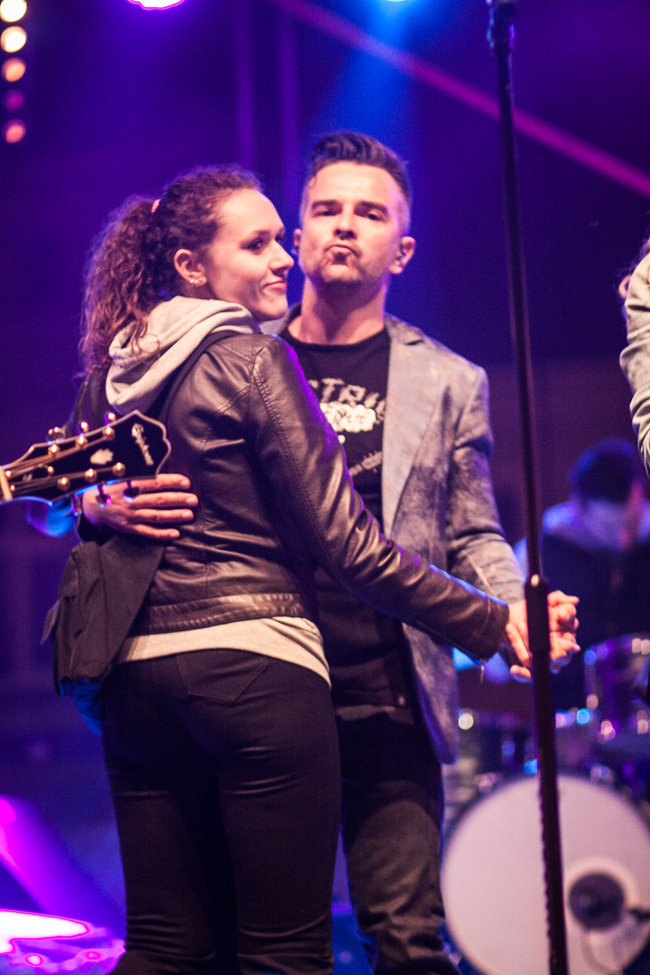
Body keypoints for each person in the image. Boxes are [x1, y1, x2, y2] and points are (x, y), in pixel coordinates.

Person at [72, 140, 578, 975]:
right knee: (237, 940)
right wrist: (92, 501)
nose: (344, 227)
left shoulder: (449, 379)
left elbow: (474, 528)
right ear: (297, 234)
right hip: (263, 674)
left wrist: (510, 611)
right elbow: (95, 457)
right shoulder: (223, 343)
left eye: (370, 213)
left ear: (402, 249)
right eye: (324, 211)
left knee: (407, 937)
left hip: (386, 683)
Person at [515, 438, 650, 710]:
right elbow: (499, 665)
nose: (624, 540)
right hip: (572, 726)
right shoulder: (536, 554)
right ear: (578, 508)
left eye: (630, 523)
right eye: (610, 528)